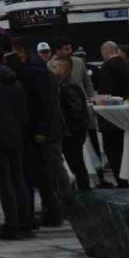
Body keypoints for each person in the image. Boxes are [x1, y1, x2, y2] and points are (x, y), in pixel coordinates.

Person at [12, 36, 68, 228]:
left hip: (45, 131)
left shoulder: (35, 71)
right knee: (44, 172)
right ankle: (53, 208)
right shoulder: (35, 69)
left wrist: (42, 129)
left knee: (49, 171)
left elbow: (45, 103)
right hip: (43, 129)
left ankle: (57, 208)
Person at [0, 46, 33, 240]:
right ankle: (25, 222)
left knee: (4, 183)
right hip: (16, 135)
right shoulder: (15, 81)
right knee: (19, 180)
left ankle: (12, 224)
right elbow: (23, 111)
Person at [52, 57, 91, 192]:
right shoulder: (64, 85)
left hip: (72, 132)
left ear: (63, 69)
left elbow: (76, 110)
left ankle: (84, 190)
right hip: (71, 130)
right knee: (75, 162)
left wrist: (70, 129)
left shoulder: (68, 86)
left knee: (76, 162)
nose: (53, 70)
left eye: (55, 67)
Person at [97, 41, 129, 187]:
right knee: (124, 148)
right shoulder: (125, 66)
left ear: (105, 52)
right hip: (125, 115)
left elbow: (105, 93)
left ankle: (121, 180)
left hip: (111, 117)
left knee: (113, 150)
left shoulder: (107, 68)